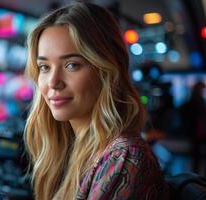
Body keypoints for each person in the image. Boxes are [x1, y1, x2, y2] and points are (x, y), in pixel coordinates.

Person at [23, 1, 169, 199]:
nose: (53, 82)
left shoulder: (124, 157)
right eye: (44, 67)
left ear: (107, 71)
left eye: (72, 65)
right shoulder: (65, 150)